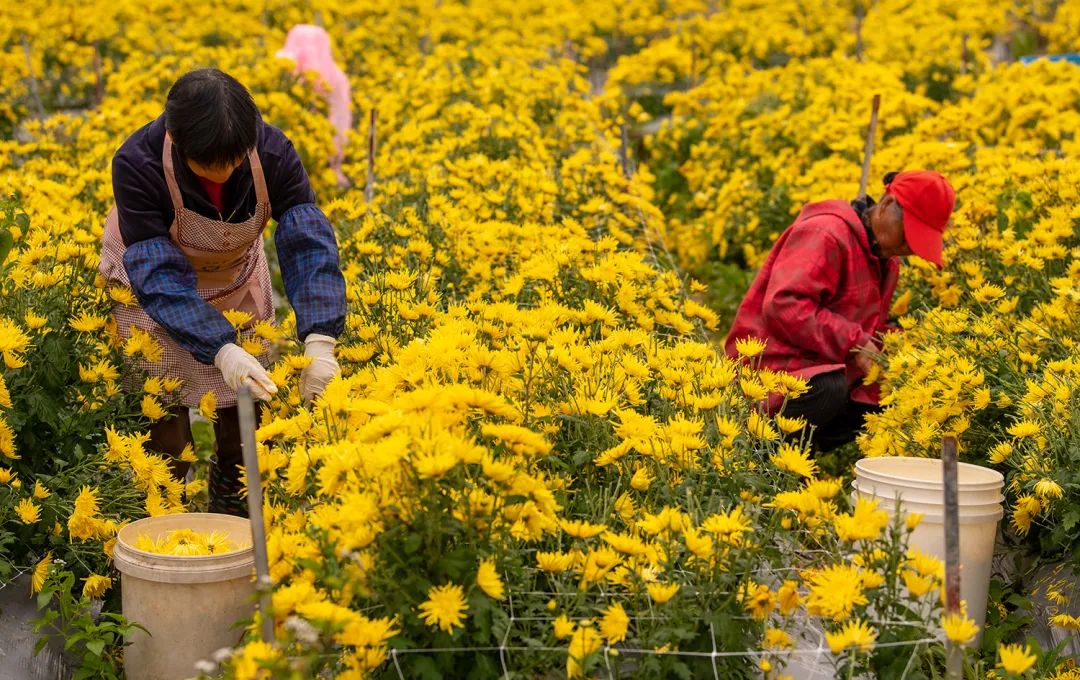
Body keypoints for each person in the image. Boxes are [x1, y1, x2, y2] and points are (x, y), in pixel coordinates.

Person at [99, 69, 347, 515]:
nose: (227, 173)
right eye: (212, 165)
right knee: (164, 421)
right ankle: (165, 517)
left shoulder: (272, 151)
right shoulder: (137, 163)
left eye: (235, 161)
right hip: (151, 291)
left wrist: (321, 340)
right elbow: (158, 278)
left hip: (234, 278)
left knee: (249, 410)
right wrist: (221, 348)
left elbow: (307, 240)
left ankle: (233, 509)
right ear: (177, 138)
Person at [724, 171, 956, 453]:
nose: (910, 249)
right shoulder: (827, 234)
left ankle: (795, 460)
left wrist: (907, 348)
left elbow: (864, 329)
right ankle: (753, 452)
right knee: (829, 389)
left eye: (919, 243)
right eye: (909, 235)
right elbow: (784, 304)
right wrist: (854, 342)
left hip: (815, 363)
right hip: (767, 365)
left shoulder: (885, 258)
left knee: (883, 394)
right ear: (884, 207)